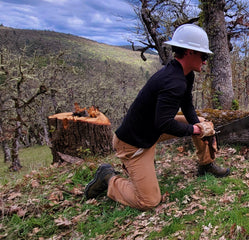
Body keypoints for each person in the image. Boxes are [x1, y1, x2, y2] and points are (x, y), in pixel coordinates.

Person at [84, 24, 230, 211]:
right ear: (188, 52)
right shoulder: (172, 81)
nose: (205, 61)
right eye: (203, 56)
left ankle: (206, 165)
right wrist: (194, 130)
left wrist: (198, 127)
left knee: (203, 124)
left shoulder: (185, 75)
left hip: (152, 130)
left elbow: (186, 106)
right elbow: (163, 123)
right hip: (133, 143)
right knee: (149, 201)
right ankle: (108, 179)